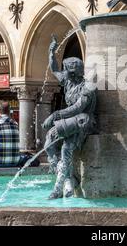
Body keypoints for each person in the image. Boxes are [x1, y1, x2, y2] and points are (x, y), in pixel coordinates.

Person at [42, 35, 96, 199]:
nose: (64, 71)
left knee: (66, 148)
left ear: (73, 71)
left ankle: (58, 188)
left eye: (67, 69)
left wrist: (56, 115)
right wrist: (52, 53)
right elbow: (55, 70)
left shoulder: (88, 87)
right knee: (49, 140)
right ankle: (68, 178)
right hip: (70, 120)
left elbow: (79, 107)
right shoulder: (68, 81)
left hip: (83, 121)